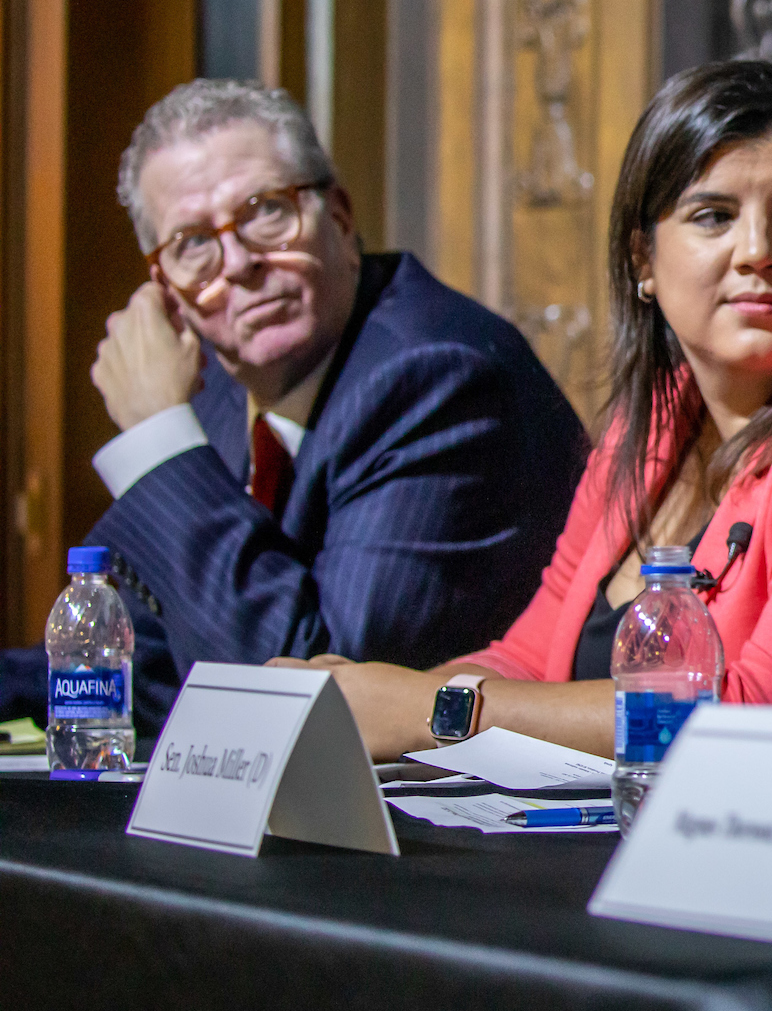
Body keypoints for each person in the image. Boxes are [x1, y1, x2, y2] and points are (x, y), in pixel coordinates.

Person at [300, 59, 772, 759]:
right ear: (643, 259)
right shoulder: (656, 421)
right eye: (712, 215)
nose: (757, 251)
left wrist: (431, 709)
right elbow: (531, 662)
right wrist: (353, 706)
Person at [0, 82, 586, 728]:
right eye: (193, 243)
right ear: (165, 287)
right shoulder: (225, 388)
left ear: (338, 215)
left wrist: (157, 436)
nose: (241, 261)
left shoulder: (438, 376)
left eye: (265, 211)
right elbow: (156, 656)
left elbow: (310, 699)